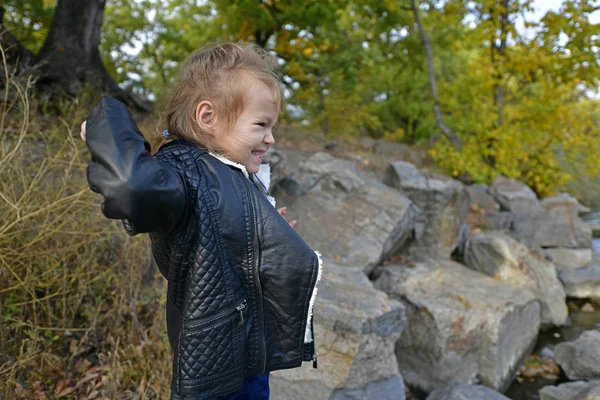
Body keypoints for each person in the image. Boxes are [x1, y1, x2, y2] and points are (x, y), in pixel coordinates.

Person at [80, 42, 322, 400]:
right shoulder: (184, 171)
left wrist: (262, 233)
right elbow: (132, 187)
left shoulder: (227, 168)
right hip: (214, 369)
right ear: (207, 117)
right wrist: (107, 124)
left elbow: (223, 234)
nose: (271, 139)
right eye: (261, 125)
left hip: (244, 355)